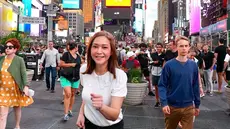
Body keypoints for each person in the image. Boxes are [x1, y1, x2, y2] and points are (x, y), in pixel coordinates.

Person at [76, 31, 127, 129]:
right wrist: (81, 114)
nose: (99, 51)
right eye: (95, 46)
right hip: (88, 124)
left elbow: (114, 115)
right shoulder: (84, 70)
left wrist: (101, 107)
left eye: (104, 47)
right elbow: (86, 98)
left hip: (111, 126)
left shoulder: (119, 76)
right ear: (90, 49)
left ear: (111, 51)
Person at [158, 36, 200, 129]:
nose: (184, 48)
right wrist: (164, 103)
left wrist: (197, 105)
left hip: (189, 106)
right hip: (172, 107)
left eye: (186, 46)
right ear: (176, 47)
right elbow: (162, 85)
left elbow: (195, 85)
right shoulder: (169, 65)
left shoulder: (193, 65)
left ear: (189, 47)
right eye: (181, 46)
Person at [0, 38, 34, 129]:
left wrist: (26, 86)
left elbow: (23, 74)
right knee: (2, 114)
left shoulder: (19, 60)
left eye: (10, 47)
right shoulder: (1, 59)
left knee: (17, 107)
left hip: (15, 89)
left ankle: (17, 125)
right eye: (6, 47)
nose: (7, 49)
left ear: (15, 49)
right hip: (3, 90)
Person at [59, 43, 81, 121]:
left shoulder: (78, 56)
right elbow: (61, 64)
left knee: (72, 94)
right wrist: (71, 64)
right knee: (68, 94)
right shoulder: (66, 54)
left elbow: (79, 65)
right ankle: (65, 114)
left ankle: (70, 110)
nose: (78, 48)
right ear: (75, 47)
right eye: (77, 46)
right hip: (65, 77)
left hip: (75, 77)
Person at [150, 43, 165, 108]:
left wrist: (159, 62)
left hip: (161, 72)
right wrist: (153, 62)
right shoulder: (153, 54)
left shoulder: (164, 55)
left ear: (162, 48)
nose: (158, 48)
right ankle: (157, 101)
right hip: (154, 72)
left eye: (160, 47)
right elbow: (150, 62)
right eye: (157, 47)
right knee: (156, 87)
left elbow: (165, 62)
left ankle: (163, 101)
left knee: (161, 87)